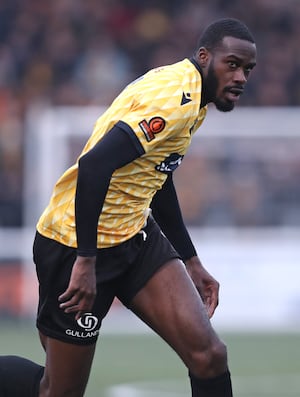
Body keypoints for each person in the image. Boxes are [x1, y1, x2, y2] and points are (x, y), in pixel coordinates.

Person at [0, 17, 256, 397]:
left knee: (209, 356)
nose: (240, 77)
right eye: (231, 64)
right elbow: (94, 166)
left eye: (247, 69)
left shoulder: (195, 96)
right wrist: (86, 262)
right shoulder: (174, 101)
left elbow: (157, 174)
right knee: (58, 390)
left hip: (135, 234)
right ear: (204, 57)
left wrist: (190, 259)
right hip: (75, 243)